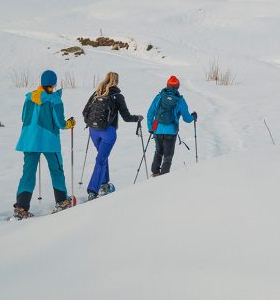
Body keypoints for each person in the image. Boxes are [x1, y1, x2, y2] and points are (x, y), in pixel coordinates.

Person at [13, 69, 76, 219]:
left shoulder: (29, 98)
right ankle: (62, 201)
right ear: (54, 83)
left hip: (29, 140)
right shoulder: (55, 100)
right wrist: (70, 123)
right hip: (49, 141)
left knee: (28, 173)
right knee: (56, 170)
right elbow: (60, 123)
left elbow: (23, 117)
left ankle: (21, 208)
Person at [82, 71, 143, 200]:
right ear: (117, 81)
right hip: (108, 132)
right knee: (101, 159)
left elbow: (84, 111)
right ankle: (93, 191)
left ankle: (104, 184)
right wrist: (137, 118)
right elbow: (126, 117)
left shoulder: (97, 93)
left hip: (93, 131)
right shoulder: (118, 96)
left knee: (102, 156)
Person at [146, 75, 196, 176]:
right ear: (177, 87)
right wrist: (193, 117)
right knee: (168, 155)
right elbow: (187, 118)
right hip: (171, 130)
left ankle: (155, 172)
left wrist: (151, 128)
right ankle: (164, 177)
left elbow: (150, 113)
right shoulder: (180, 100)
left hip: (157, 129)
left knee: (158, 151)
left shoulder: (159, 97)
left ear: (167, 85)